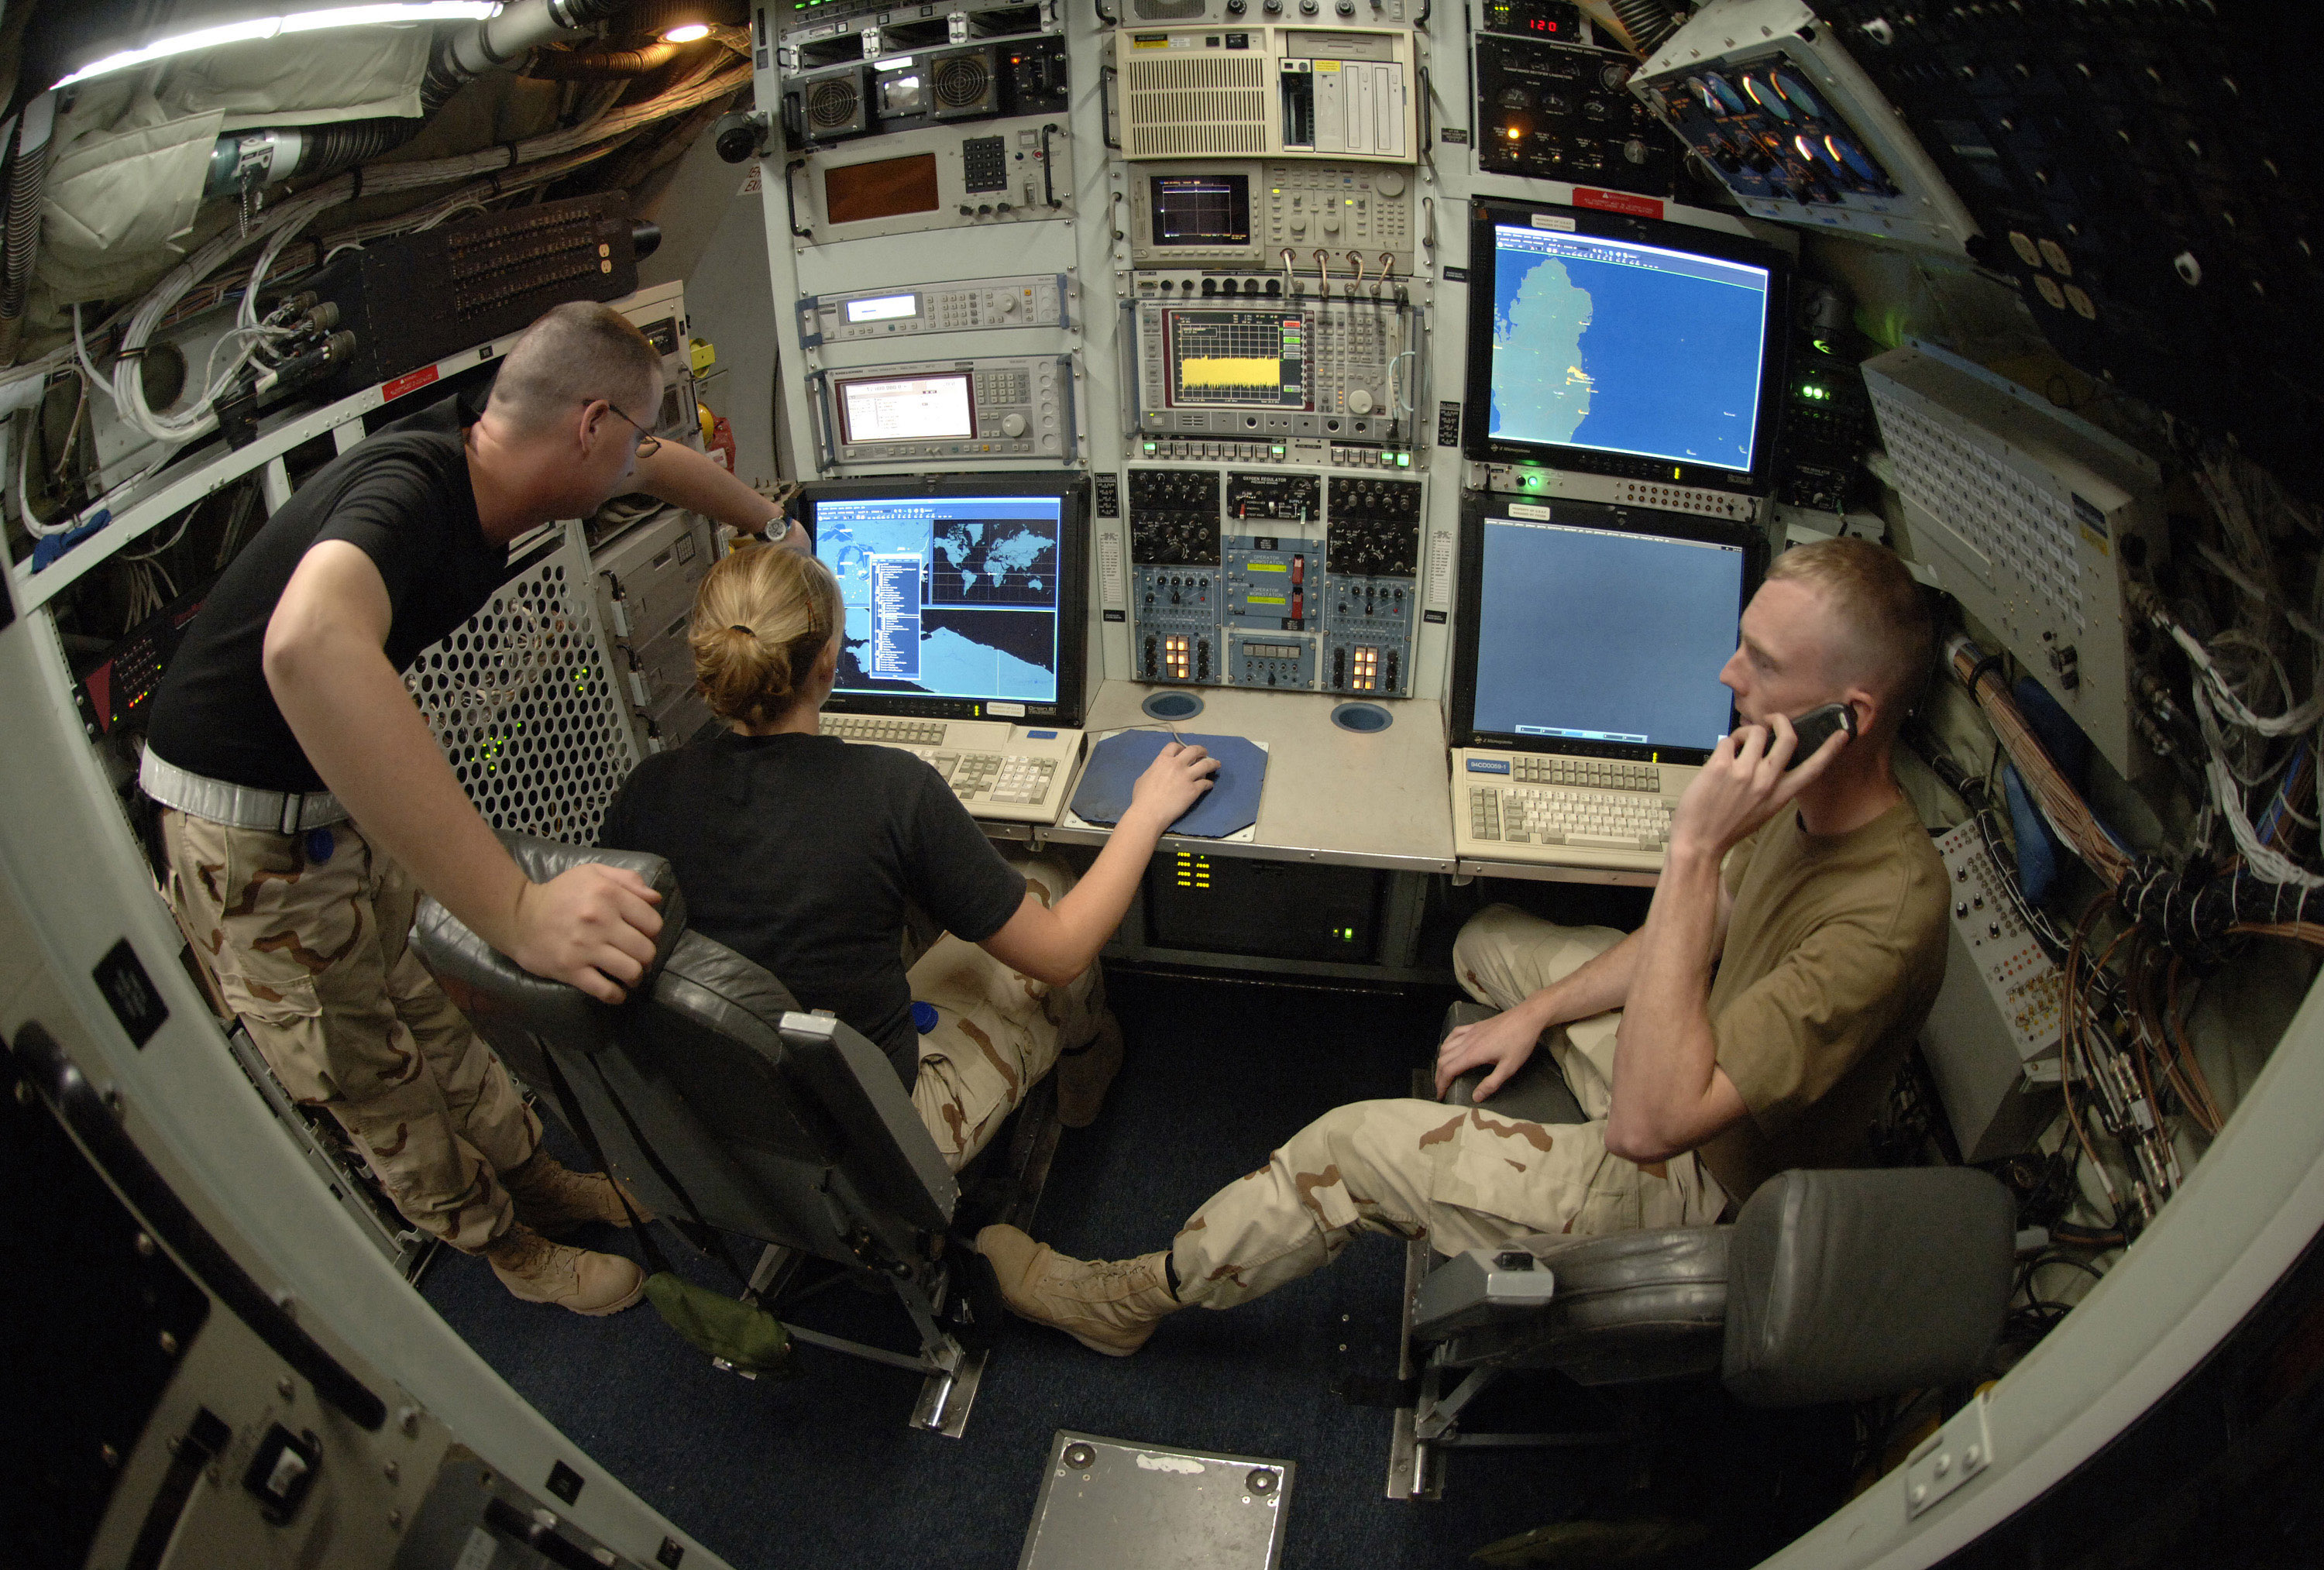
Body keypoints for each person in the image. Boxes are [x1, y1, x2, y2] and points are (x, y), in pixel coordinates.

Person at [978, 537, 1948, 1355]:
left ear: (1846, 717)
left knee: (1345, 1147)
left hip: (1700, 1171)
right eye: (1741, 647)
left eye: (1765, 665)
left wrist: (1694, 845)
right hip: (1700, 1046)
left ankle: (1133, 1299)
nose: (1728, 677)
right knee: (1485, 941)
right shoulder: (1802, 794)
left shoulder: (1885, 916)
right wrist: (1531, 1013)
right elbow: (1682, 944)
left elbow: (1650, 1125)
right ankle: (1524, 1010)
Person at [147, 301, 806, 1317]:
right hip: (247, 836)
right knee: (368, 1063)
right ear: (586, 425)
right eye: (628, 433)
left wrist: (769, 523)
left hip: (329, 796)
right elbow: (307, 646)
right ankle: (505, 1246)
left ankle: (536, 1178)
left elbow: (661, 462)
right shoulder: (410, 491)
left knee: (426, 1002)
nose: (641, 455)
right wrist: (517, 910)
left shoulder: (499, 445)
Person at [596, 545, 1219, 1173]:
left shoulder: (645, 791)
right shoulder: (889, 790)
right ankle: (1088, 1064)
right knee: (1046, 877)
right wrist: (1145, 813)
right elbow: (1060, 953)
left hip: (713, 1122)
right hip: (878, 1136)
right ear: (828, 664)